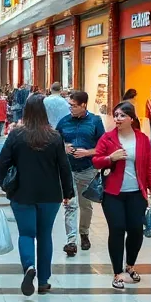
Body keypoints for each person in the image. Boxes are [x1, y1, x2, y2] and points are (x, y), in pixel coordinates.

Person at [0, 94, 74, 296]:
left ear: (26, 112)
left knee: (26, 234)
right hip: (50, 194)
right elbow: (64, 167)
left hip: (22, 192)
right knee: (44, 235)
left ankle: (29, 267)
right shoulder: (54, 136)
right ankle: (44, 281)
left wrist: (5, 184)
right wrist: (68, 192)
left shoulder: (16, 135)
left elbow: (2, 161)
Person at [92, 101, 151, 289]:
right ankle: (117, 272)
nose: (118, 119)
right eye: (116, 115)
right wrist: (110, 158)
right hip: (113, 193)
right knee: (117, 229)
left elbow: (148, 167)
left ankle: (129, 265)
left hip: (136, 193)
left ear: (131, 118)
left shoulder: (143, 139)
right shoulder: (108, 138)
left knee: (136, 230)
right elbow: (96, 161)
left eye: (122, 115)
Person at [57, 90, 106, 256]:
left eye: (74, 106)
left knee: (86, 204)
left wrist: (88, 152)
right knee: (70, 204)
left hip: (88, 168)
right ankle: (71, 241)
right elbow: (55, 143)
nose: (70, 108)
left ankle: (84, 233)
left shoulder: (95, 121)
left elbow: (103, 146)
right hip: (68, 169)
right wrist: (63, 148)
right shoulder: (63, 122)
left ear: (83, 105)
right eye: (70, 105)